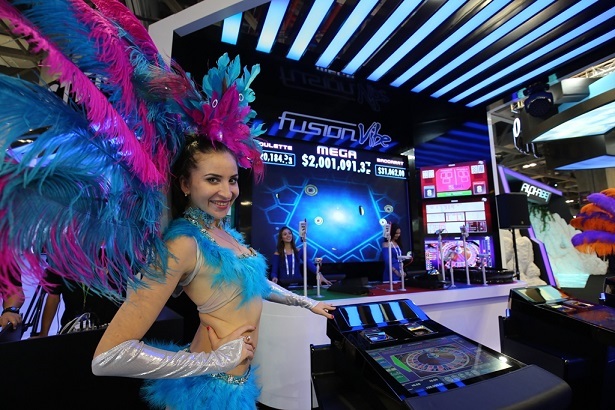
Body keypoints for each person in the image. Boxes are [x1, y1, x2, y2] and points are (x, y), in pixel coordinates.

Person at [91, 59, 336, 407]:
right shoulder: (182, 243)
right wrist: (216, 360)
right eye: (212, 180)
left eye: (232, 180)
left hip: (238, 386)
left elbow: (255, 285)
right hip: (209, 394)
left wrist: (307, 302)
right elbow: (107, 357)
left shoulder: (227, 234)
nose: (227, 191)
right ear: (185, 184)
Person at [35, 268, 120, 337]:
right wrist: (43, 333)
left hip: (111, 330)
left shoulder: (116, 256)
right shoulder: (61, 262)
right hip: (72, 328)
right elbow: (53, 298)